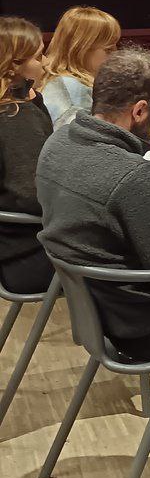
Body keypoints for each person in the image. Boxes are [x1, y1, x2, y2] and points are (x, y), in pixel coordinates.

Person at [36, 46, 150, 361]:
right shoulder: (133, 175)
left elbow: (110, 235)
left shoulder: (57, 144)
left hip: (102, 316)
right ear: (139, 111)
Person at [0, 17, 54, 295]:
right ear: (13, 67)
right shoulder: (15, 117)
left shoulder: (16, 108)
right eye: (38, 56)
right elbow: (32, 196)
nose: (46, 63)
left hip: (15, 249)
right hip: (31, 254)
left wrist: (31, 96)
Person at [40, 6, 121, 131]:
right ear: (81, 49)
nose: (116, 54)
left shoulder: (63, 82)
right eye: (109, 49)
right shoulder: (72, 88)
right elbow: (81, 138)